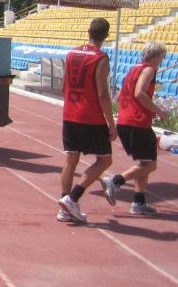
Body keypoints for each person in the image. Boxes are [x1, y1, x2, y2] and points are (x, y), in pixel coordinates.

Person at [58, 17, 116, 223]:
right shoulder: (100, 58)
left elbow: (64, 83)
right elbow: (102, 94)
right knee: (105, 160)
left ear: (88, 32)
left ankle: (64, 207)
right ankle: (73, 198)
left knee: (70, 159)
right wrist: (110, 123)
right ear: (106, 36)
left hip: (70, 114)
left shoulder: (72, 52)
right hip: (90, 116)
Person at [100, 42, 169, 216]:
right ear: (155, 56)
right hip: (136, 123)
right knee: (151, 164)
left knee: (144, 163)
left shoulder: (133, 69)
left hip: (127, 120)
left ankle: (138, 203)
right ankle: (115, 181)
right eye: (162, 57)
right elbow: (139, 93)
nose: (162, 60)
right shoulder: (148, 70)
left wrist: (146, 111)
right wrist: (158, 110)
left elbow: (127, 95)